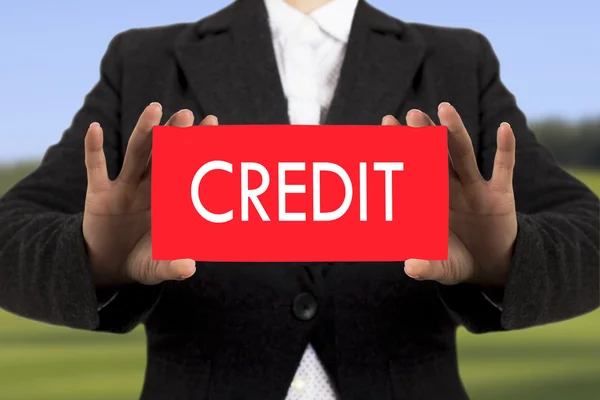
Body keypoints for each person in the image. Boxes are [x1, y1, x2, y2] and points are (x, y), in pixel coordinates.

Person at [0, 0, 598, 398]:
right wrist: (92, 259)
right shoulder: (143, 60)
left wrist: (507, 259)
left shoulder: (458, 60)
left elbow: (587, 236)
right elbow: (11, 236)